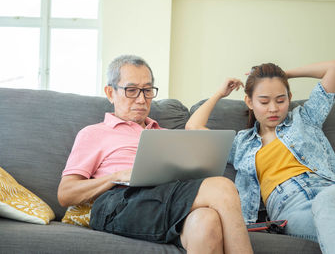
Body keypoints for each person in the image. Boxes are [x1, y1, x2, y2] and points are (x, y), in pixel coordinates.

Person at [57, 54, 253, 254]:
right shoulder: (94, 133)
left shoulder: (166, 136)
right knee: (222, 187)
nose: (142, 99)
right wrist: (116, 176)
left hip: (167, 200)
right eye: (132, 90)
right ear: (110, 92)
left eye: (148, 90)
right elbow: (65, 194)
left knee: (206, 221)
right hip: (118, 202)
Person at [186, 60, 335, 254]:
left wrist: (283, 75)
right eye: (264, 101)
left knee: (327, 202)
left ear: (289, 97)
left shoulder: (306, 118)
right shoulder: (241, 144)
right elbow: (193, 128)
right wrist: (219, 93)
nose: (273, 109)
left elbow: (333, 67)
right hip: (292, 211)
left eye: (280, 100)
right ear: (250, 102)